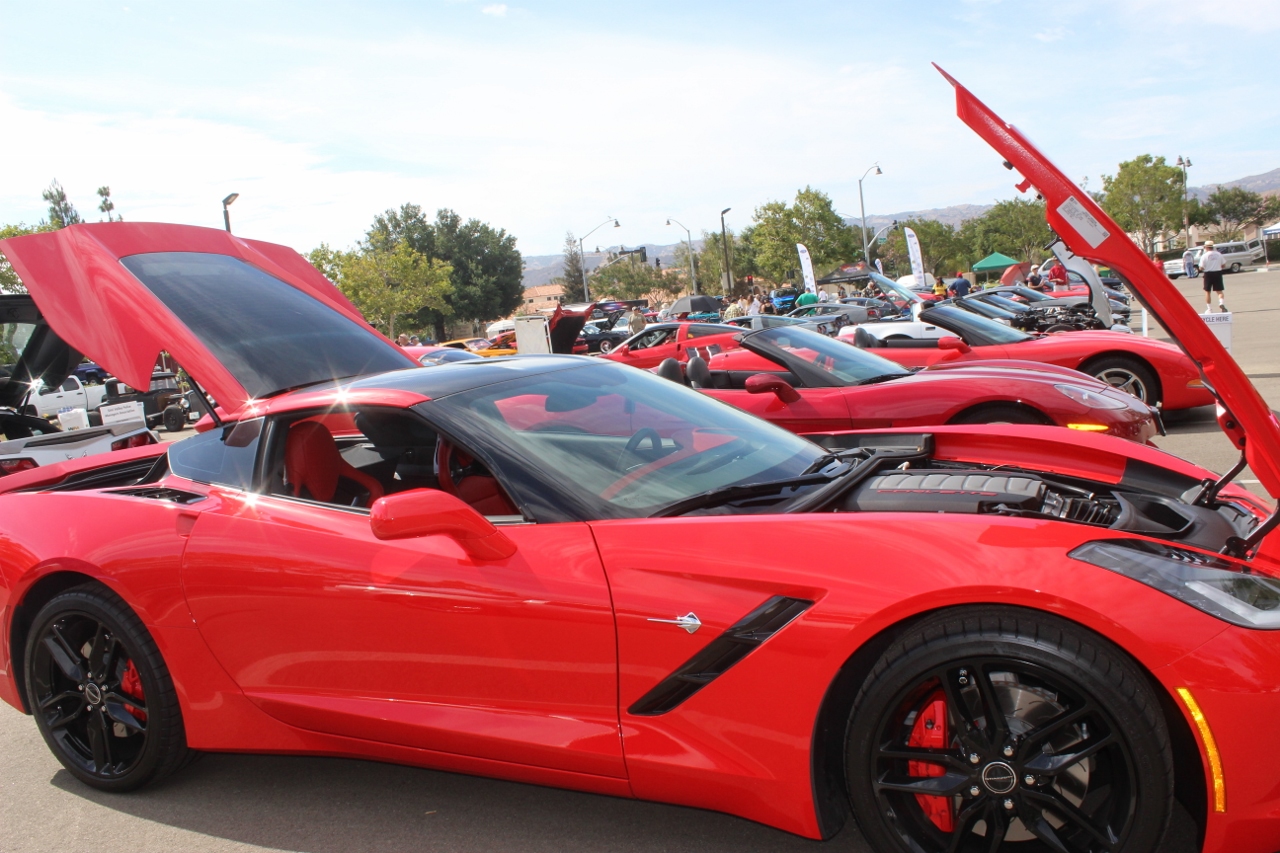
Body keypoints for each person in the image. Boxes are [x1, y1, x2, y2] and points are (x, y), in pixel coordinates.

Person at [1199, 240, 1226, 312]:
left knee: (1207, 291)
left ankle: (1209, 309)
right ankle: (1221, 303)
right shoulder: (1219, 254)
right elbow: (1223, 265)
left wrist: (1203, 268)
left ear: (1206, 247)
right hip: (1217, 273)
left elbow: (1201, 267)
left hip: (1208, 274)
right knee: (1219, 291)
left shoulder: (1204, 256)